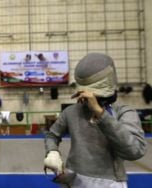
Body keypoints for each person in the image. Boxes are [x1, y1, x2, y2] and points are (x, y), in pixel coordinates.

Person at [44, 53, 147, 188]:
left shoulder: (124, 113)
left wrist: (101, 114)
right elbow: (52, 134)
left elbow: (135, 151)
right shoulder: (71, 112)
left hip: (109, 182)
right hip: (73, 178)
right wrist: (52, 152)